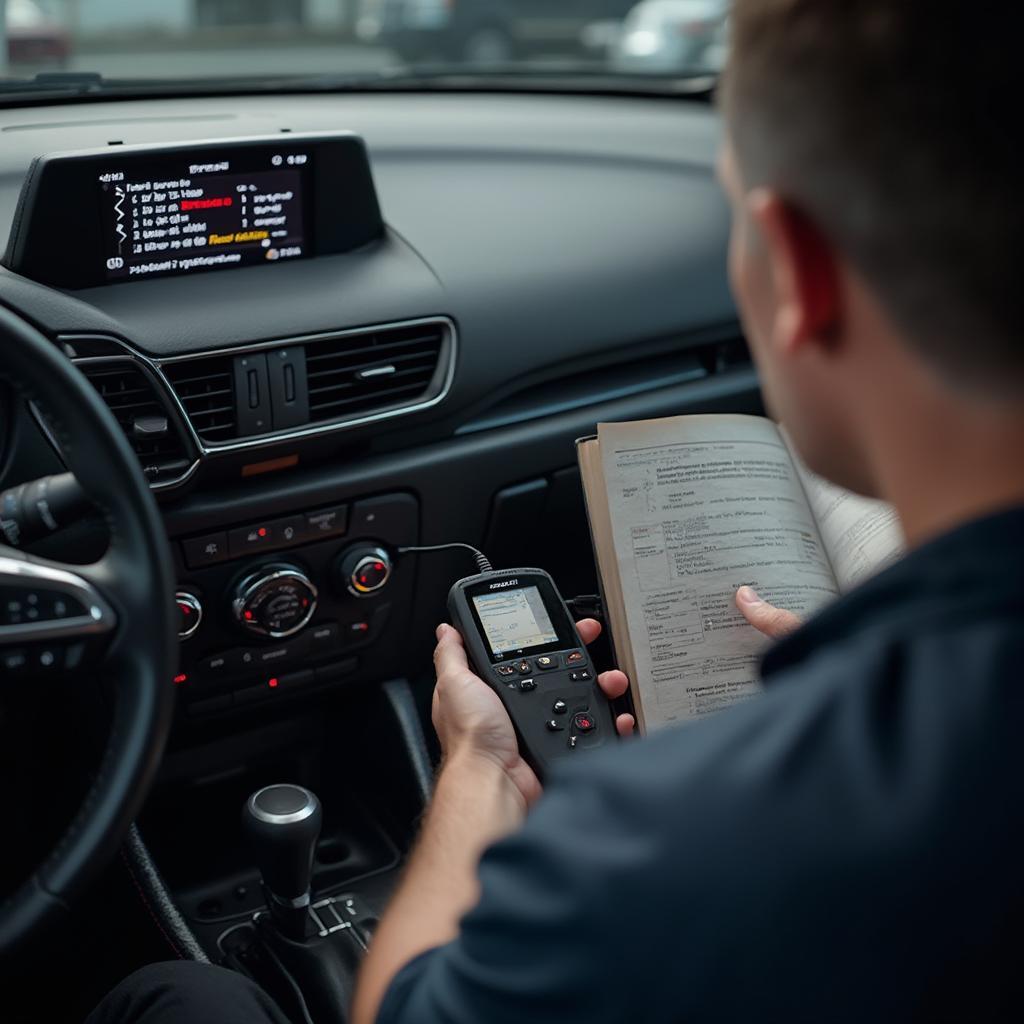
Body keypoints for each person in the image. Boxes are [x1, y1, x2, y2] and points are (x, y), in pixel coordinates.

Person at [89, 0, 1024, 1021]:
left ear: (796, 270)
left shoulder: (675, 841)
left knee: (176, 996)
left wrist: (478, 768)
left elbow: (398, 1005)